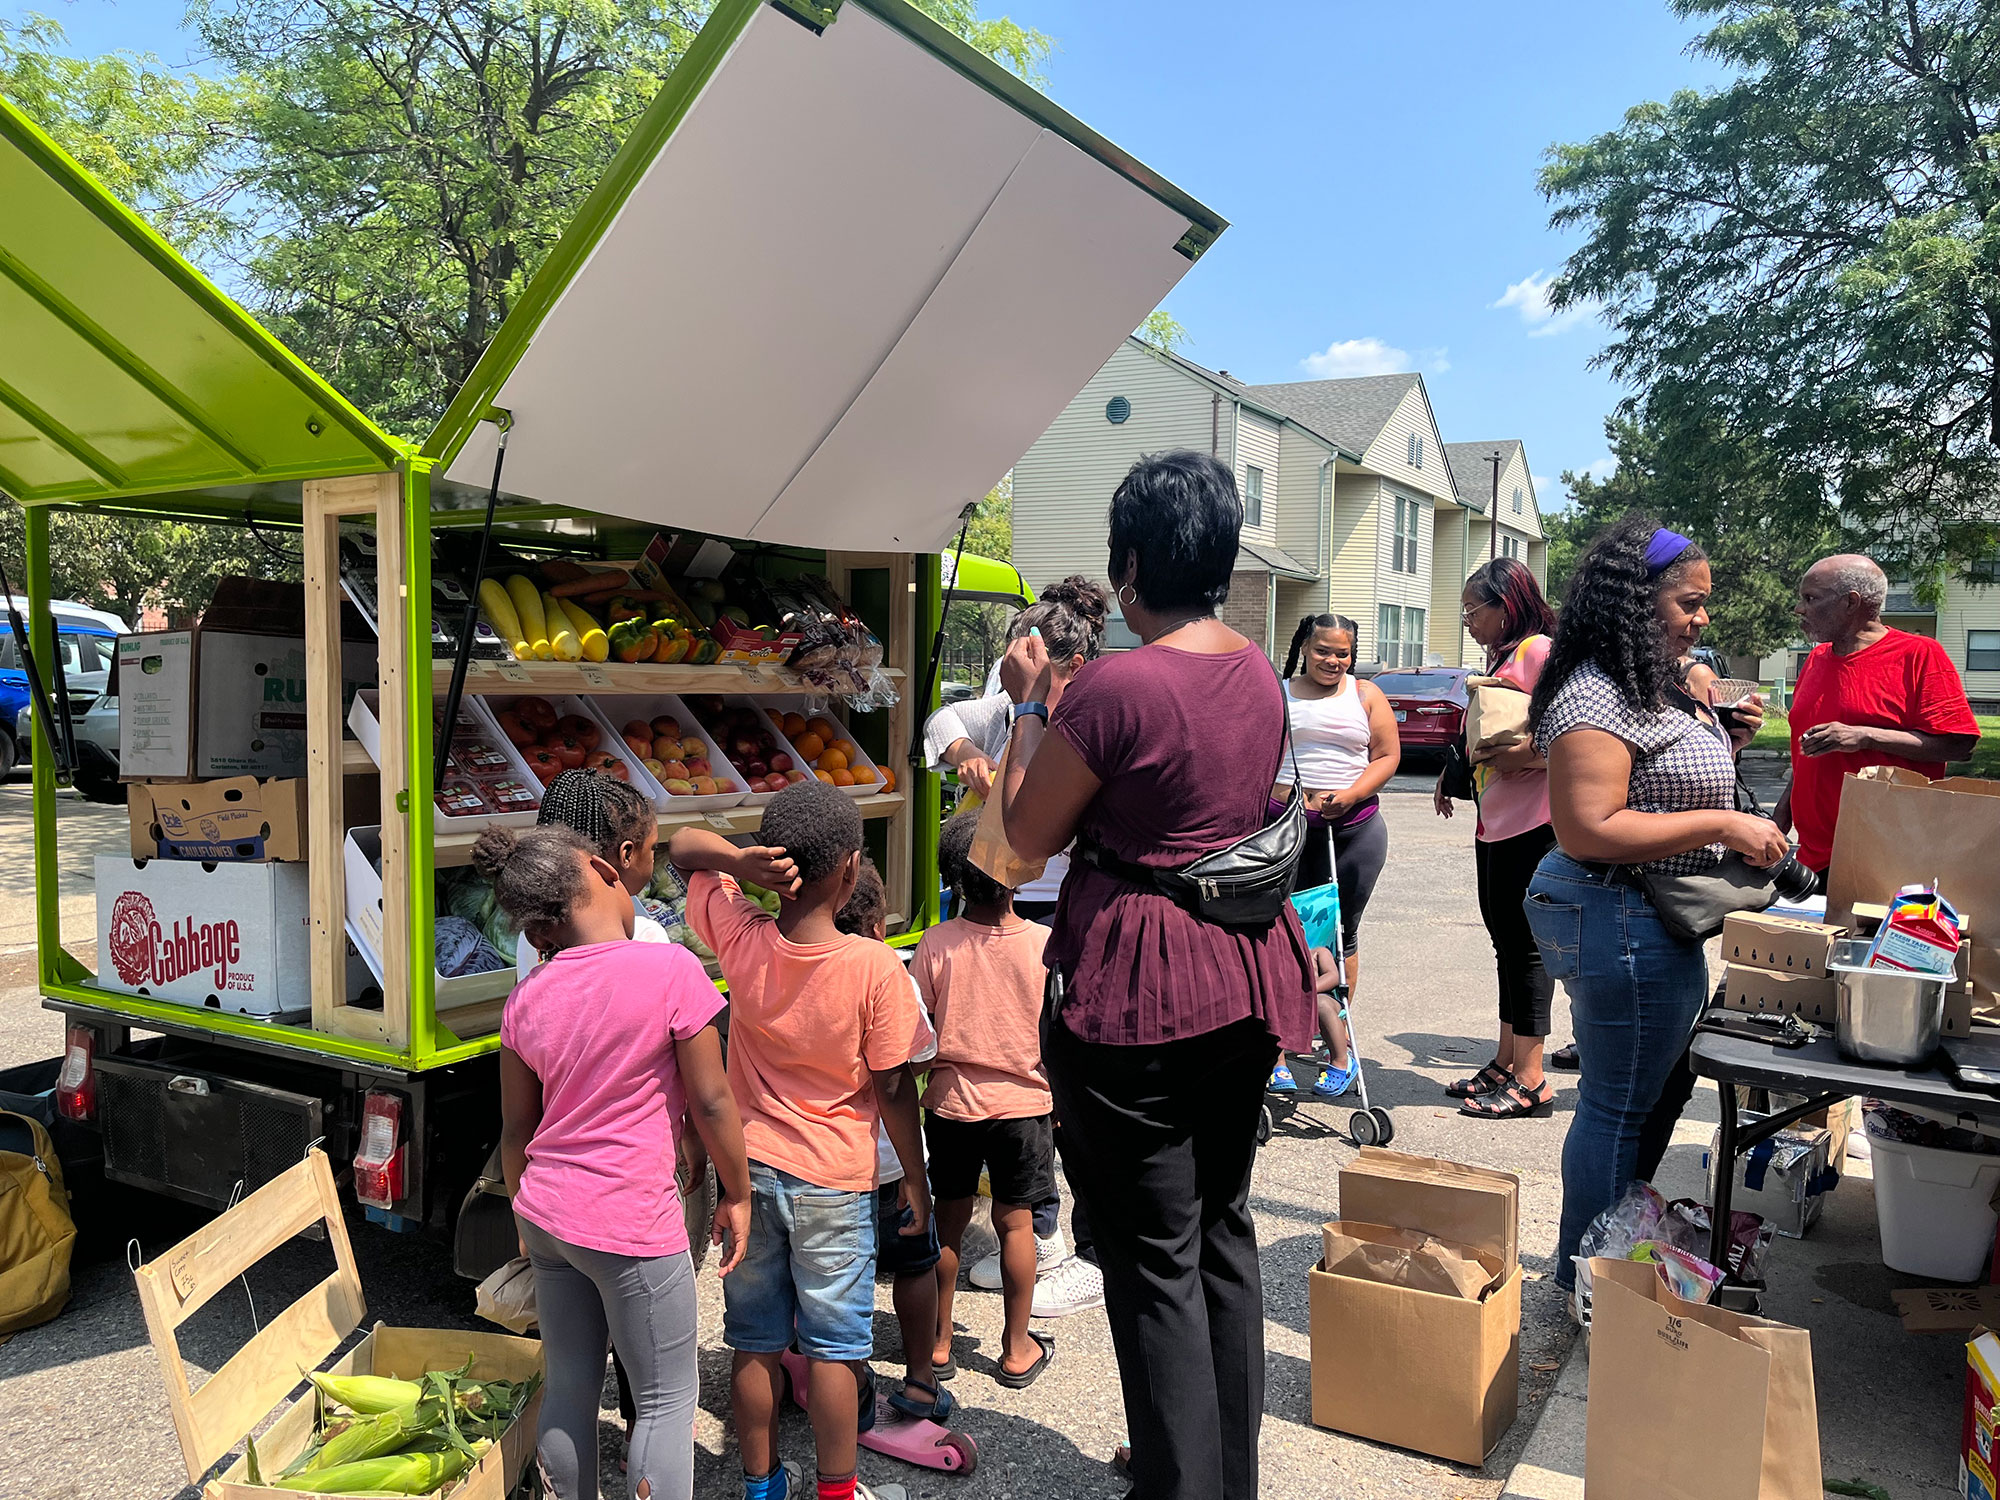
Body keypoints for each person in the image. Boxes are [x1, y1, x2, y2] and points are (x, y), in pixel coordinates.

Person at [996, 449, 1316, 1500]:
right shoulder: (1256, 669)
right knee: (1220, 1231)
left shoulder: (1116, 685)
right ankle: (1226, 1477)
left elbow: (1018, 843)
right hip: (1243, 968)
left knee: (1151, 1260)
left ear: (1128, 560)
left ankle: (1179, 1487)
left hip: (1138, 984)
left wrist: (1034, 704)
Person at [1523, 517, 1784, 1296]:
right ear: (1637, 601)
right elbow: (1589, 826)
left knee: (1651, 1093)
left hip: (1646, 913)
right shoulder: (1595, 694)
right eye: (1690, 602)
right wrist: (1724, 821)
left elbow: (1658, 786)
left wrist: (1721, 741)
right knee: (1618, 1106)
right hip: (1616, 911)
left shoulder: (1654, 680)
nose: (1704, 619)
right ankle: (1588, 1281)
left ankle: (1611, 1252)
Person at [668, 782, 929, 1500]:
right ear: (851, 869)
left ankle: (761, 1486)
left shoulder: (743, 935)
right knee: (836, 1351)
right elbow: (894, 1087)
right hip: (836, 1183)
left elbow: (682, 849)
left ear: (771, 864)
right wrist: (914, 1176)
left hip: (750, 1177)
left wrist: (737, 861)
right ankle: (837, 1492)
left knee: (751, 1341)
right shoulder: (876, 967)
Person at [486, 824, 751, 1500]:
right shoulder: (670, 971)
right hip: (628, 1221)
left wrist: (522, 1211)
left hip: (547, 1215)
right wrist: (738, 1192)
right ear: (604, 868)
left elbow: (519, 1129)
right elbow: (713, 1101)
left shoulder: (525, 1000)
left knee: (571, 1383)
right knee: (664, 1402)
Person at [921, 577, 1110, 1319]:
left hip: (1072, 908)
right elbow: (939, 722)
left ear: (1058, 663)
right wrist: (968, 746)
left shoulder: (1087, 713)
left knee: (1060, 1073)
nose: (1007, 680)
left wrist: (1034, 708)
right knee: (1022, 1063)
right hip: (1005, 902)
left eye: (1018, 668)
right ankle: (1038, 1225)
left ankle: (1059, 1234)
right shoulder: (1006, 707)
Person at [916, 811, 1056, 1389]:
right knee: (1016, 1225)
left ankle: (941, 1343)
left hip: (951, 1105)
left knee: (946, 1225)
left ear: (951, 878)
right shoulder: (1045, 945)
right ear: (1018, 874)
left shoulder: (936, 943)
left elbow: (917, 1034)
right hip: (1025, 1106)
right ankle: (1016, 1347)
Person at [1434, 558, 1561, 1118]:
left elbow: (1571, 730)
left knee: (1527, 947)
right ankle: (1507, 1059)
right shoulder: (1505, 658)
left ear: (1505, 605)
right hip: (1497, 820)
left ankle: (1533, 1076)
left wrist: (1526, 754)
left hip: (1534, 822)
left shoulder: (1539, 651)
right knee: (1504, 939)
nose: (1467, 621)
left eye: (1473, 609)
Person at [832, 861, 948, 1426]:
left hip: (834, 1163)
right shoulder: (891, 976)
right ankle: (922, 1377)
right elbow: (920, 1056)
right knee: (914, 1266)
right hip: (896, 1162)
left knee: (840, 1280)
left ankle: (846, 1382)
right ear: (879, 925)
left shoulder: (811, 969)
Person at [1776, 553, 1980, 875]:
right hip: (1813, 856)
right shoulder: (1815, 659)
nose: (1799, 609)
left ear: (1850, 603)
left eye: (1810, 598)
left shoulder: (1919, 655)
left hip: (1887, 857)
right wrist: (1781, 817)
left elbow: (1959, 745)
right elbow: (1807, 750)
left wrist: (1864, 736)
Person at [1268, 611, 1400, 1097]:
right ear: (1305, 646)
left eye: (1343, 653)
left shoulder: (1366, 695)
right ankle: (1279, 1041)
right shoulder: (1277, 690)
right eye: (1323, 650)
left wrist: (1349, 794)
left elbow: (1387, 756)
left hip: (1354, 829)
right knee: (1281, 928)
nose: (1333, 661)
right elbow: (1257, 752)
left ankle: (1335, 1037)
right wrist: (1282, 794)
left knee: (1339, 934)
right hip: (1286, 827)